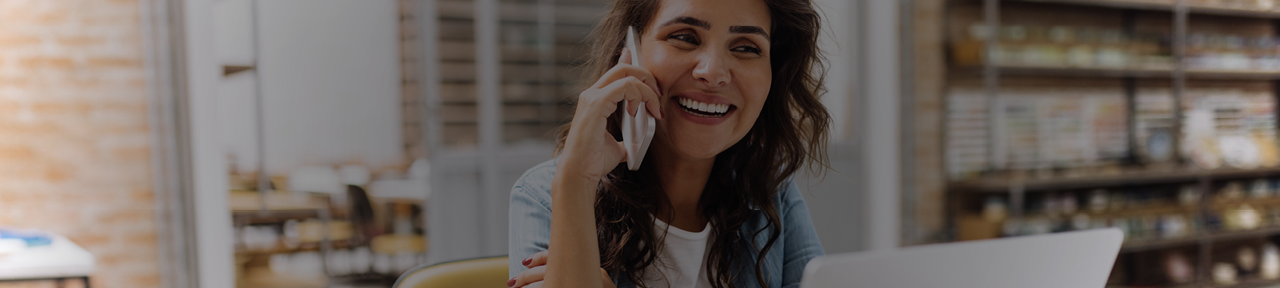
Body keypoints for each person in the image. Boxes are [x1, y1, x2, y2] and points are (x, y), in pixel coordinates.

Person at [507, 0, 830, 286]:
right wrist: (576, 179)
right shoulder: (549, 193)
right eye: (685, 38)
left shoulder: (771, 190)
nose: (713, 72)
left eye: (746, 47)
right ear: (630, 53)